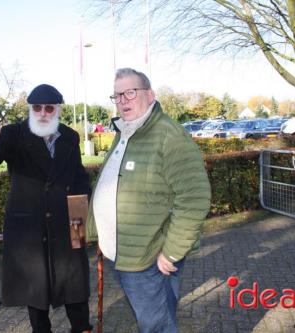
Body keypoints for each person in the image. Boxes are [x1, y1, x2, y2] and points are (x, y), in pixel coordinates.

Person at [86, 68, 211, 333]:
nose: (123, 100)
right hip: (123, 251)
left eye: (130, 92)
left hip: (149, 255)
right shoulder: (127, 132)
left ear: (150, 94)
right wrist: (102, 233)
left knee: (156, 326)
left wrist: (173, 251)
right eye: (117, 95)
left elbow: (194, 198)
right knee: (158, 318)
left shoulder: (169, 136)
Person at [0, 84, 93, 333]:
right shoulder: (14, 134)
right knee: (35, 287)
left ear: (58, 110)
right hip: (29, 227)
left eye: (49, 107)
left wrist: (82, 217)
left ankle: (82, 328)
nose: (42, 112)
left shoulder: (70, 136)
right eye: (36, 107)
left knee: (75, 283)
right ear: (30, 109)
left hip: (69, 221)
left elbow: (79, 176)